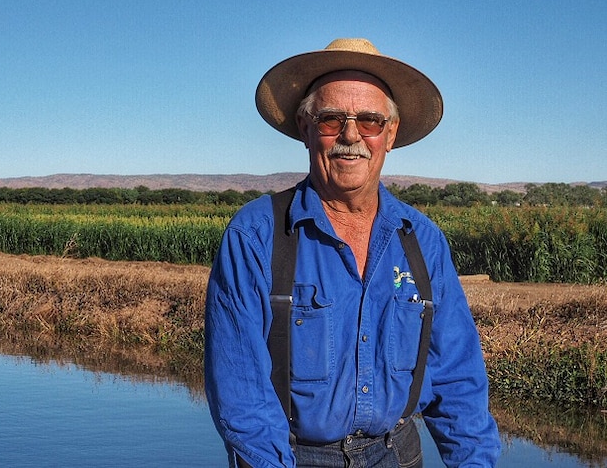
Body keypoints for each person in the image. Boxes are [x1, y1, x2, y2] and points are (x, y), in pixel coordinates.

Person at [204, 38, 501, 467]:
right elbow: (242, 396)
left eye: (369, 121)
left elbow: (458, 379)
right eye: (330, 119)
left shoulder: (421, 240)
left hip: (398, 454)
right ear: (306, 130)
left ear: (390, 134)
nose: (350, 136)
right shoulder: (256, 235)